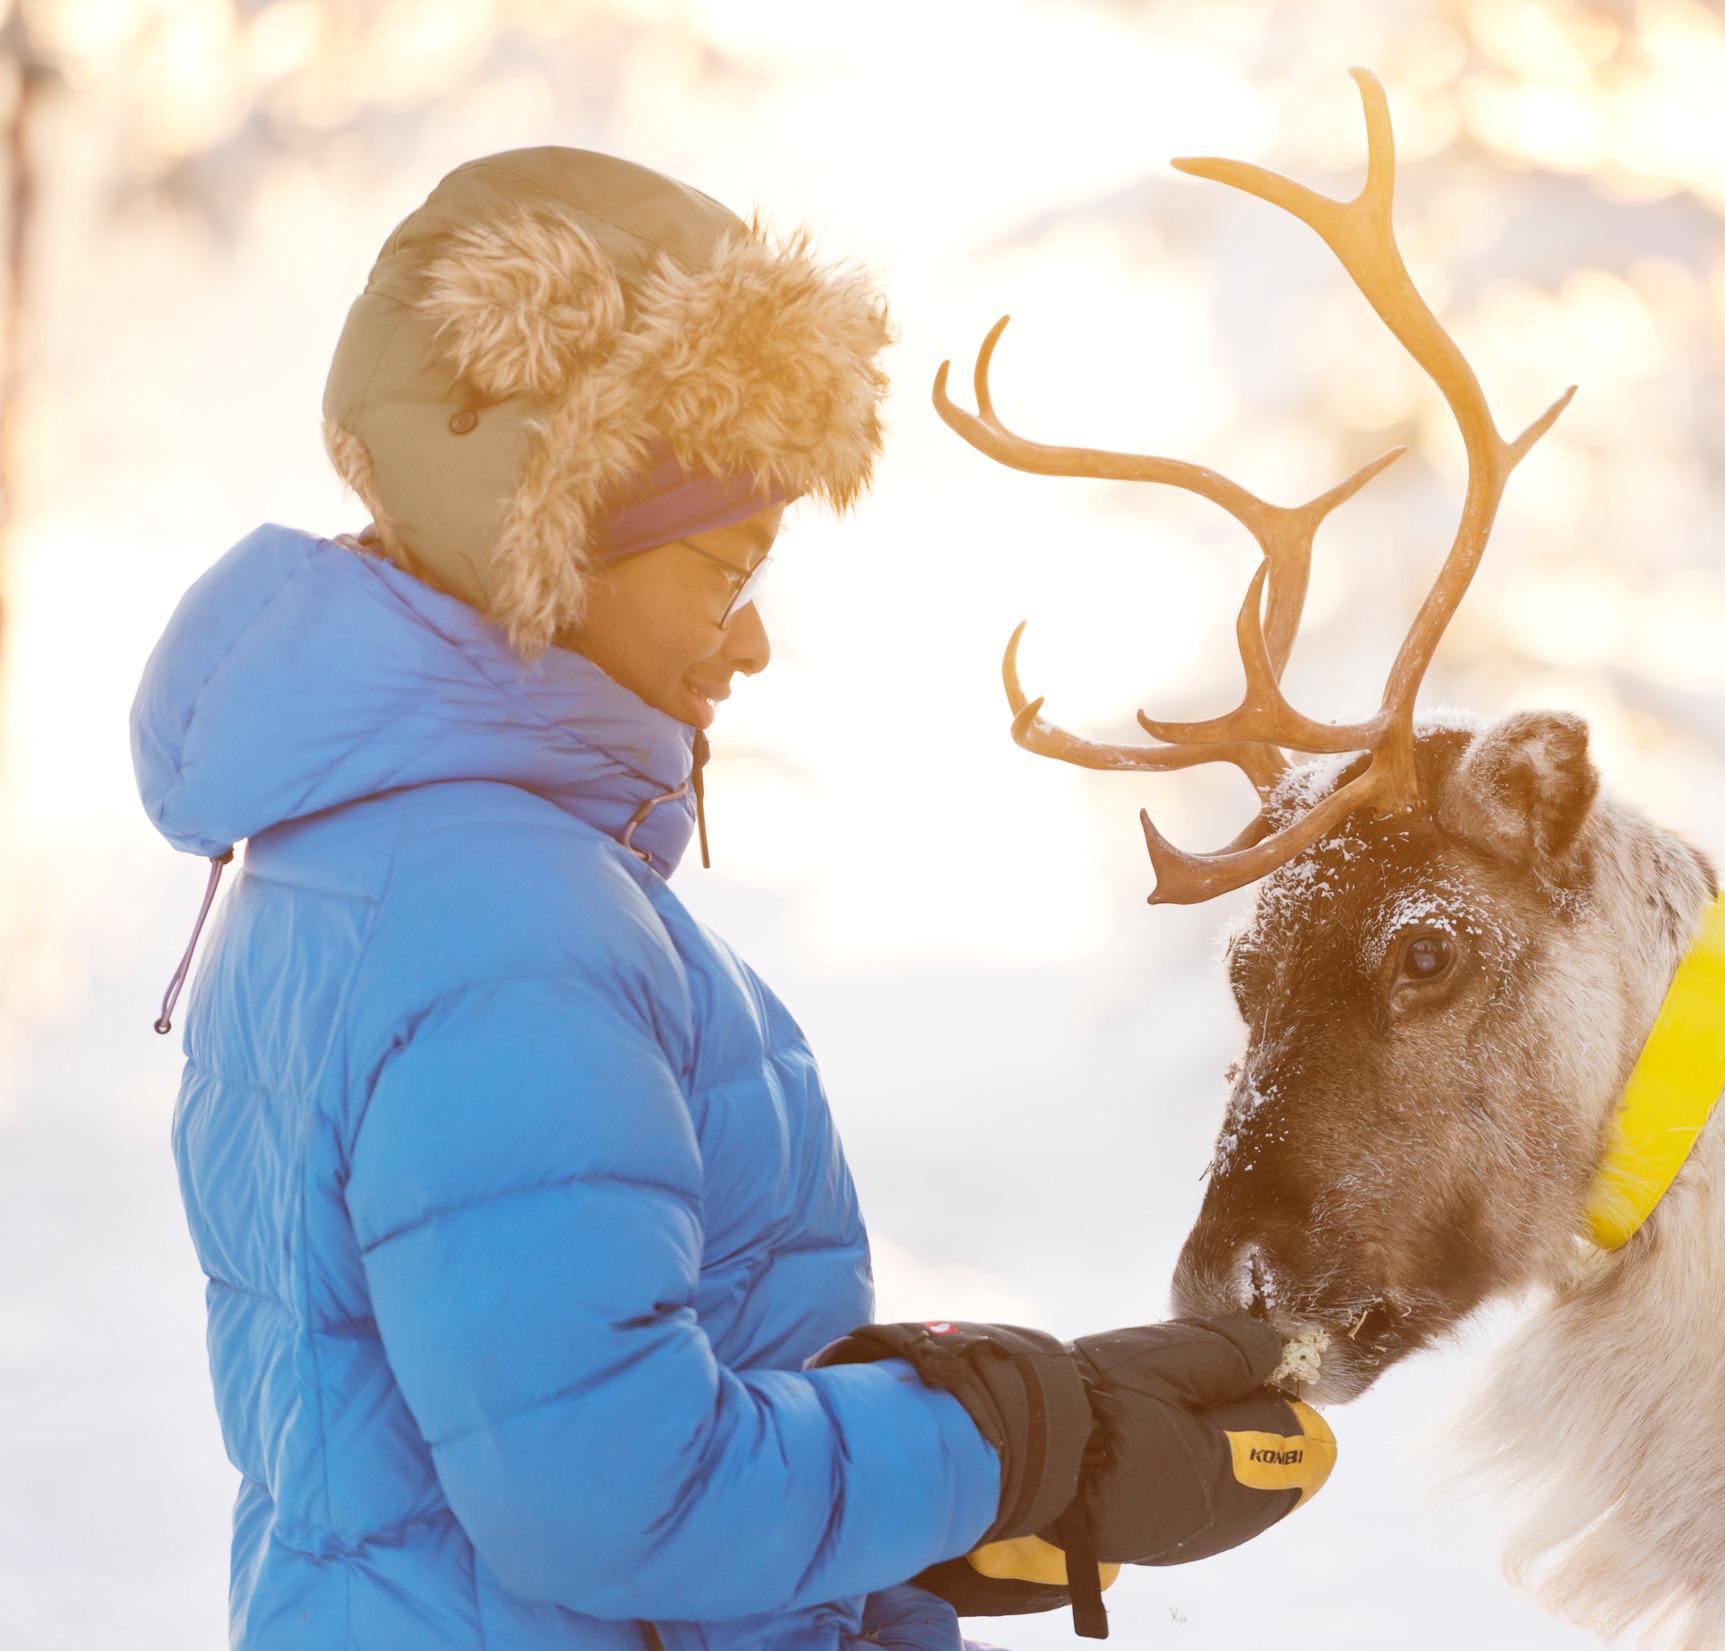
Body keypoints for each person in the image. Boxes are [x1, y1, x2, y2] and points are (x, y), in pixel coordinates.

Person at [130, 147, 1324, 1651]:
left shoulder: (362, 859)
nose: (749, 644)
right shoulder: (504, 927)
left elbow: (519, 1430)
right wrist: (1034, 1437)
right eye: (724, 567)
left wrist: (966, 1480)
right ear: (549, 539)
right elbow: (619, 1502)